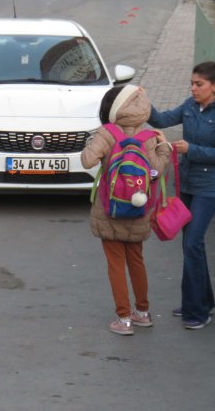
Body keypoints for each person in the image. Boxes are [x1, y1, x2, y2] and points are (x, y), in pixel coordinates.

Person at [148, 61, 215, 329]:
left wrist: (190, 149)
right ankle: (199, 302)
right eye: (192, 84)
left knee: (192, 243)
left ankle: (198, 312)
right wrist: (141, 100)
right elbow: (162, 119)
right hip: (185, 185)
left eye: (199, 84)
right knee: (191, 243)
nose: (193, 88)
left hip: (208, 188)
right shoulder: (189, 105)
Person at [81, 84, 172, 335]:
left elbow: (88, 160)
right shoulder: (149, 137)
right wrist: (165, 148)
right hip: (138, 208)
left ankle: (123, 318)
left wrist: (95, 141)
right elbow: (157, 171)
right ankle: (142, 313)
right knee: (136, 260)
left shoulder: (108, 133)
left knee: (115, 264)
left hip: (110, 209)